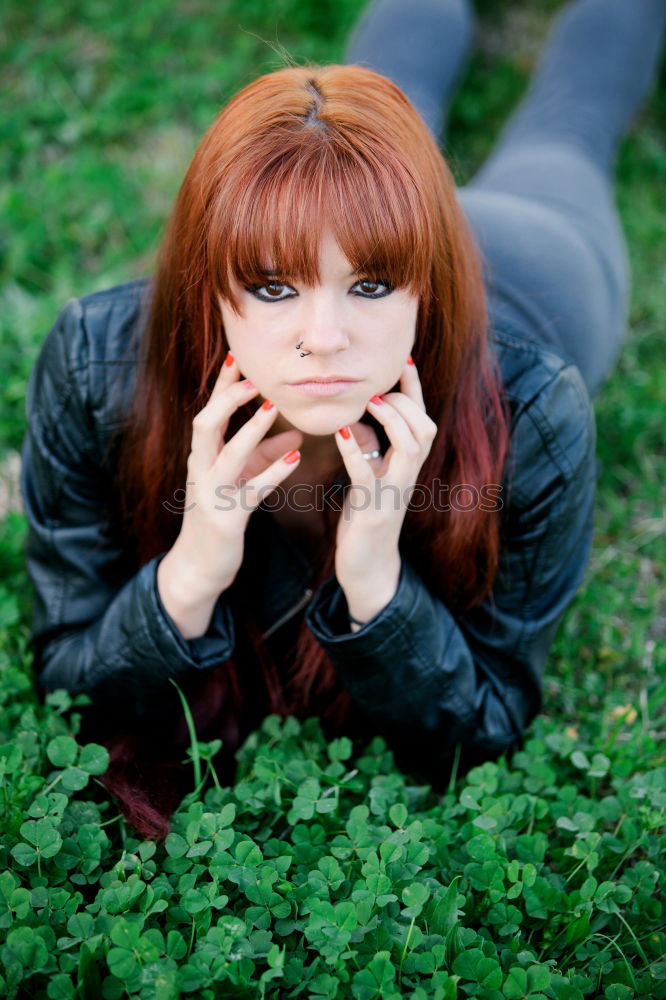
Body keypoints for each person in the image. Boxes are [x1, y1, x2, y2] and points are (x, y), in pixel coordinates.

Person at [20, 0, 665, 840]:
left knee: (563, 134)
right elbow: (70, 678)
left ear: (423, 283)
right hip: (365, 212)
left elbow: (488, 723)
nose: (323, 340)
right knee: (373, 118)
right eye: (273, 287)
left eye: (368, 288)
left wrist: (375, 582)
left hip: (537, 268)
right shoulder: (94, 364)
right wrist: (191, 570)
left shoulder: (534, 408)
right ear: (210, 285)